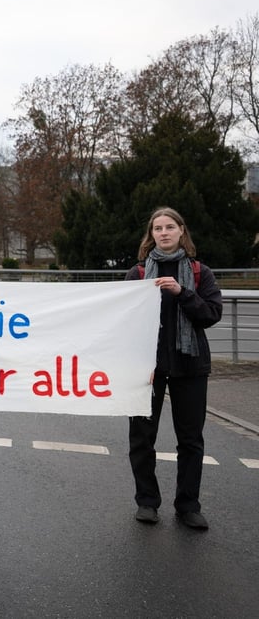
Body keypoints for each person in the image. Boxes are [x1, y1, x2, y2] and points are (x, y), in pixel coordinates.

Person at [125, 207, 222, 530]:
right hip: (146, 369)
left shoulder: (199, 272)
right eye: (157, 228)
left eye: (169, 227)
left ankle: (188, 505)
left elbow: (210, 314)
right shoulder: (138, 274)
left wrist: (183, 294)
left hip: (190, 365)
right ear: (150, 235)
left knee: (191, 439)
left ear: (182, 231)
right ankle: (147, 502)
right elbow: (122, 321)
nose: (163, 233)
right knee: (142, 438)